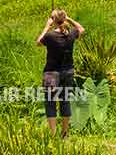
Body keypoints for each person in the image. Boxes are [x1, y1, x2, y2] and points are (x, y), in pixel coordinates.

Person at [36, 9, 85, 138]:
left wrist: (47, 26)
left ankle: (53, 135)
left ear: (54, 21)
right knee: (65, 101)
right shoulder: (71, 34)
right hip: (68, 72)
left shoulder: (50, 36)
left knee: (50, 102)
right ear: (64, 19)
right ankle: (64, 134)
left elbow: (38, 42)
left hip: (51, 73)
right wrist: (68, 19)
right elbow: (81, 29)